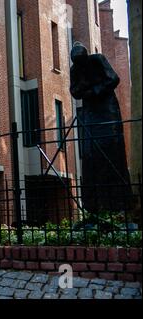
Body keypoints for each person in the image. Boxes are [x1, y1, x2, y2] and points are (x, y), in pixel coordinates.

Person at [70, 42, 132, 214]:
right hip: (90, 113)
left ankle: (120, 205)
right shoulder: (75, 70)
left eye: (81, 61)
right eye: (76, 62)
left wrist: (95, 90)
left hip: (106, 110)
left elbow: (114, 78)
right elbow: (73, 90)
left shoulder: (98, 60)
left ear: (86, 56)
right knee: (90, 154)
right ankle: (93, 207)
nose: (79, 65)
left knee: (112, 151)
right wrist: (83, 89)